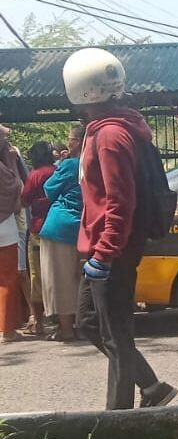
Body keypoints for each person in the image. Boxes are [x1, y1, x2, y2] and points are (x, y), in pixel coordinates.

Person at [64, 47, 177, 409]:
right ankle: (153, 388)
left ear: (78, 89)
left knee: (116, 337)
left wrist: (105, 253)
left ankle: (119, 421)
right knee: (90, 324)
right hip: (103, 250)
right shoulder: (106, 130)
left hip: (112, 252)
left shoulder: (111, 136)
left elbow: (120, 201)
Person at [39, 124, 86, 342]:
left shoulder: (70, 165)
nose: (68, 143)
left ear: (79, 141)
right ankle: (81, 325)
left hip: (60, 226)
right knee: (78, 277)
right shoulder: (95, 163)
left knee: (61, 279)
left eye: (71, 139)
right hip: (84, 227)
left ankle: (67, 329)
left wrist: (62, 165)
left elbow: (49, 189)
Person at [20, 141, 56, 336]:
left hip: (38, 230)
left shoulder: (35, 175)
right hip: (58, 230)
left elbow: (24, 199)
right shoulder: (57, 171)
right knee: (58, 274)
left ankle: (39, 322)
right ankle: (63, 320)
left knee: (37, 276)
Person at [0, 126, 24, 344]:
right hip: (4, 227)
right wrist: (14, 163)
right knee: (7, 278)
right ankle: (7, 330)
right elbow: (16, 190)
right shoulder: (5, 169)